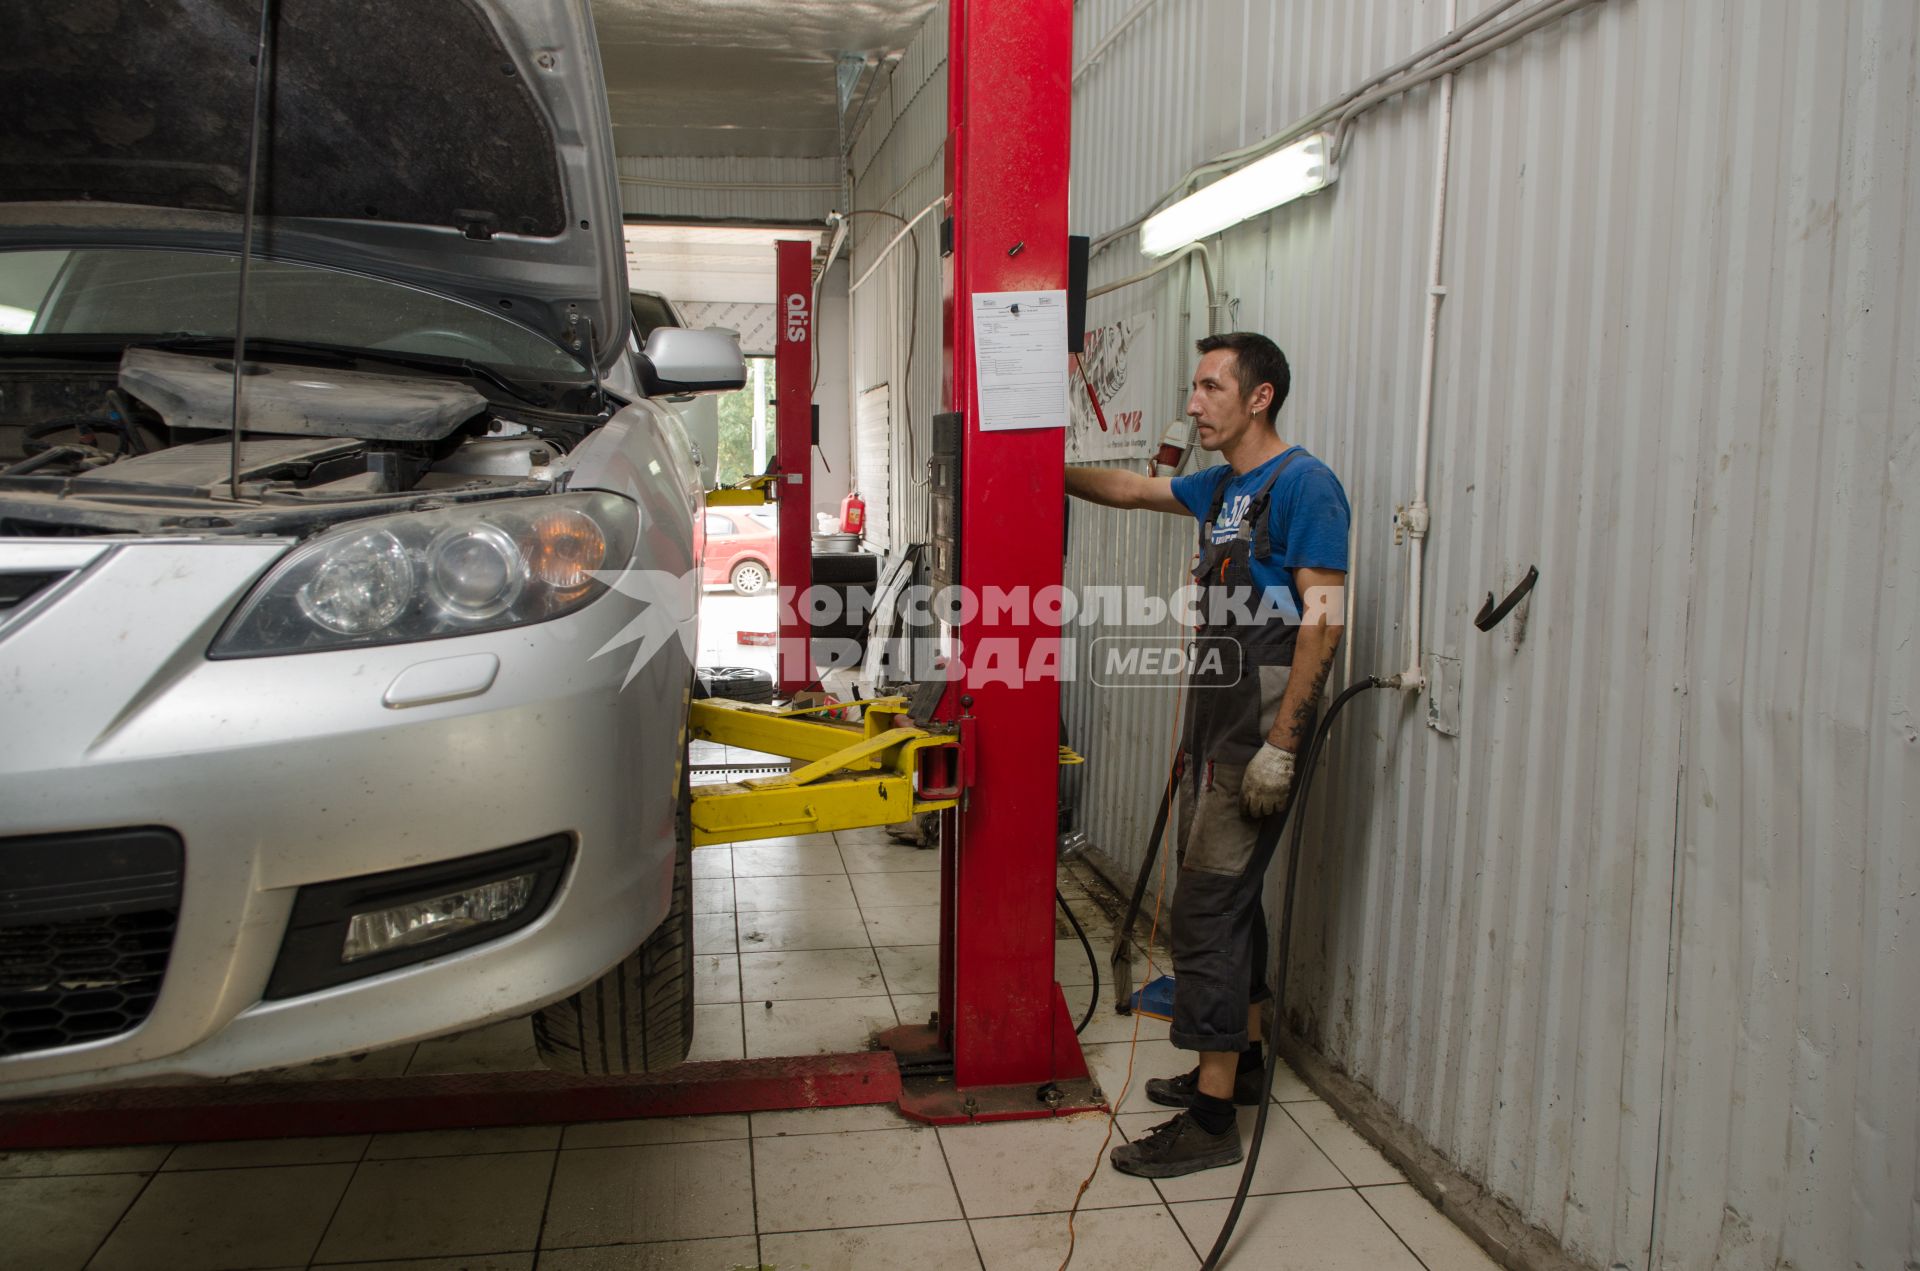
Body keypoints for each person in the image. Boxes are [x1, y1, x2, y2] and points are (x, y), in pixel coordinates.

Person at [1064, 332, 1349, 1178]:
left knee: (1205, 911)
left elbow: (1324, 618)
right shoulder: (1224, 486)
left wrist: (1283, 747)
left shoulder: (1304, 485)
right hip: (1216, 726)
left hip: (1258, 731)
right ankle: (1246, 1059)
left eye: (1209, 387)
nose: (1194, 404)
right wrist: (1037, 466)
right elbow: (1130, 486)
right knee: (1235, 901)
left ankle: (1214, 1120)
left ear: (1258, 397)